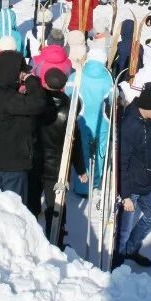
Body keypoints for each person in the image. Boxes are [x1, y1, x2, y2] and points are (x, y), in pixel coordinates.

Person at [0, 50, 48, 203]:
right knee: (12, 206)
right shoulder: (10, 99)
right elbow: (38, 104)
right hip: (12, 162)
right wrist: (32, 81)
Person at [112, 87, 151, 269]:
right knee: (124, 229)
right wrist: (126, 195)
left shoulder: (148, 120)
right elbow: (123, 162)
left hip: (148, 181)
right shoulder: (130, 125)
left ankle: (131, 249)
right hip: (133, 185)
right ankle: (118, 261)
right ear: (148, 106)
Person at [38, 68, 87, 245]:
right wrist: (80, 168)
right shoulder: (69, 110)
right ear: (64, 86)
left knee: (32, 202)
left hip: (36, 162)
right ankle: (56, 239)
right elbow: (74, 143)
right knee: (56, 205)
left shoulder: (35, 103)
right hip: (58, 166)